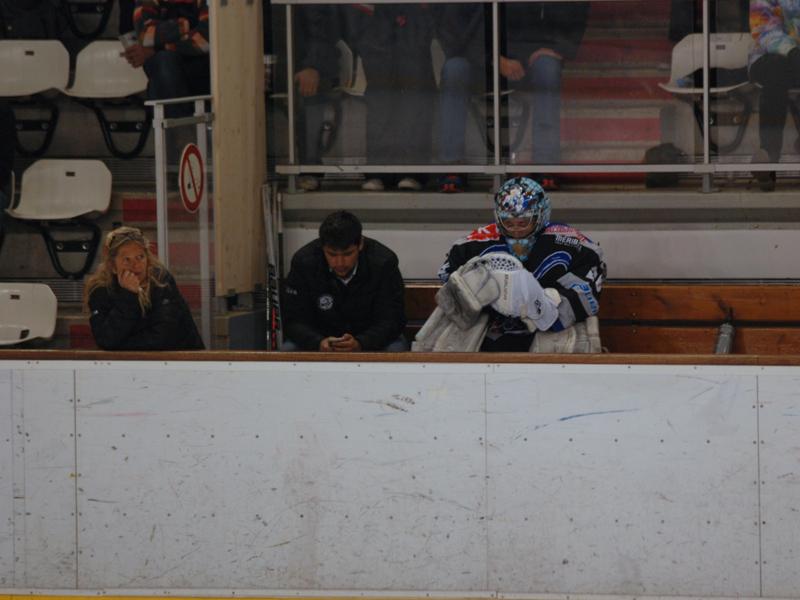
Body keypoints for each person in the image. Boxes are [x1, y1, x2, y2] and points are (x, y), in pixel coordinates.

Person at [433, 176, 604, 352]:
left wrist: (547, 304)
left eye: (523, 222)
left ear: (541, 215)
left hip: (550, 333)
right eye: (508, 223)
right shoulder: (473, 245)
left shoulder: (570, 243)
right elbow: (449, 282)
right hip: (491, 332)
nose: (515, 230)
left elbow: (589, 292)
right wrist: (470, 293)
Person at [436, 2, 589, 192]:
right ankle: (452, 164)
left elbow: (574, 7)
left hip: (526, 55)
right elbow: (452, 28)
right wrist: (492, 59)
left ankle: (545, 165)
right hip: (476, 58)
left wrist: (558, 47)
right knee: (454, 69)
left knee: (547, 67)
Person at [282, 210, 407, 352]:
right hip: (319, 338)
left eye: (348, 254)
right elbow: (292, 320)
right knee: (288, 350)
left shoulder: (384, 263)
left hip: (371, 339)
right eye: (332, 254)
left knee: (395, 350)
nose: (340, 263)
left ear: (360, 244)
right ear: (322, 247)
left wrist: (361, 343)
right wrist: (318, 342)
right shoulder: (303, 262)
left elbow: (393, 319)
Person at [342, 3, 436, 191]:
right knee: (380, 101)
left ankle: (412, 172)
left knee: (414, 100)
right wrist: (367, 39)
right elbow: (355, 13)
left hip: (414, 35)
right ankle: (378, 172)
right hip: (376, 36)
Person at [84, 226, 204, 351]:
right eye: (127, 260)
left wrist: (119, 346)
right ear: (113, 266)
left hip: (182, 358)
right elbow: (106, 339)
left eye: (140, 257)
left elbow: (163, 337)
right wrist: (128, 296)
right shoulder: (100, 290)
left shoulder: (161, 281)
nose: (136, 265)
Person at [124, 0, 210, 117]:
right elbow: (146, 34)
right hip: (168, 74)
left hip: (203, 72)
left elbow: (205, 40)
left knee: (164, 60)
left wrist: (157, 48)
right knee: (164, 62)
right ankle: (178, 124)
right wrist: (187, 24)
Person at [749, 0, 800, 191]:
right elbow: (764, 28)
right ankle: (769, 157)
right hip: (769, 55)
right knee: (776, 70)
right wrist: (793, 51)